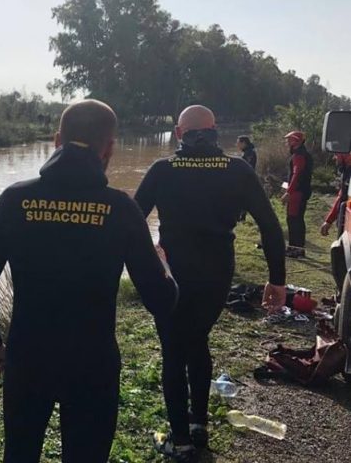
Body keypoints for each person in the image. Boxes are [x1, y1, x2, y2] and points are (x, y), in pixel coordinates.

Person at [0, 99, 177, 462]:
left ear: (56, 141)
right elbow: (160, 300)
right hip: (92, 364)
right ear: (109, 148)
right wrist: (165, 266)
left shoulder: (16, 199)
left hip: (28, 359)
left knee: (19, 455)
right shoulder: (121, 208)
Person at [134, 105, 286, 462]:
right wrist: (277, 280)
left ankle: (182, 442)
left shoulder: (162, 169)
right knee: (198, 340)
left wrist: (146, 257)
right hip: (218, 274)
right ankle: (199, 423)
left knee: (174, 351)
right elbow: (269, 225)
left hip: (172, 274)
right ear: (215, 130)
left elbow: (131, 219)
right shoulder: (237, 169)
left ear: (178, 133)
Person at [282, 131, 314, 258]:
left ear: (296, 141)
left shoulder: (299, 156)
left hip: (297, 193)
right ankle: (297, 248)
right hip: (301, 191)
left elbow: (297, 174)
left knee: (293, 220)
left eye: (289, 140)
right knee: (297, 219)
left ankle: (295, 249)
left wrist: (288, 192)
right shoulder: (303, 154)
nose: (287, 142)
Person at [321, 153, 351, 237]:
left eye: (337, 154)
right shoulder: (346, 172)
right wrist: (329, 220)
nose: (335, 158)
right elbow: (341, 197)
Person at [236, 136, 257, 221]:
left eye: (238, 143)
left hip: (247, 179)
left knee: (243, 198)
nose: (237, 144)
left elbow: (247, 166)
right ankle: (241, 217)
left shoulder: (249, 153)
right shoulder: (247, 152)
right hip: (246, 178)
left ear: (244, 143)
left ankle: (241, 218)